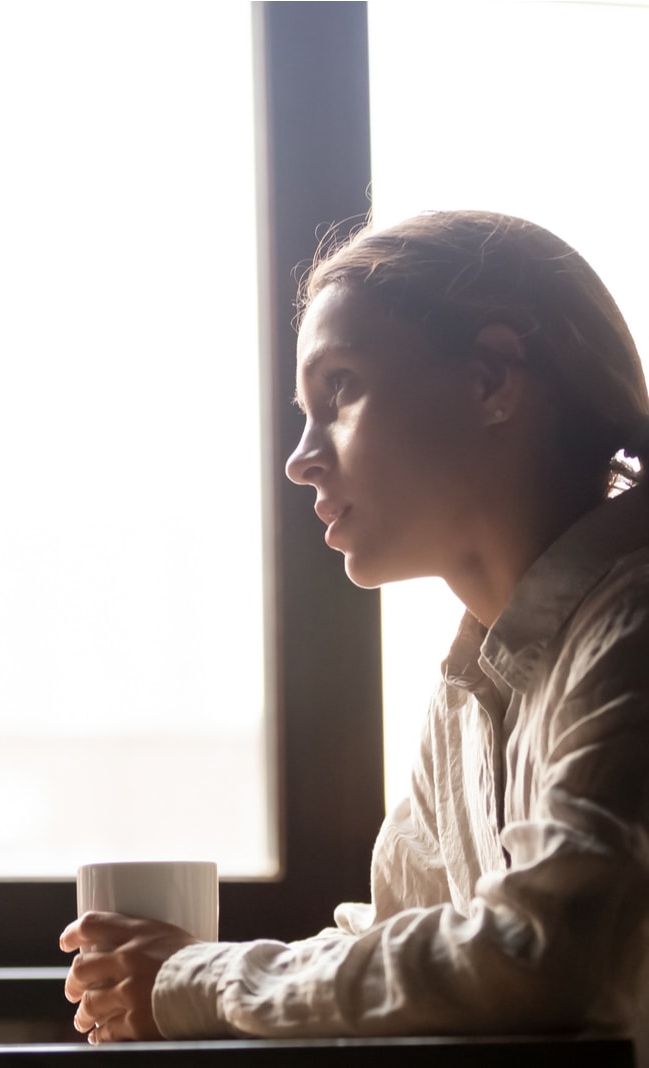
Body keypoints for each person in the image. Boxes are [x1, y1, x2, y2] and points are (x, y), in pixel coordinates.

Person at [61, 209, 649, 1054]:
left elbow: (544, 953)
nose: (300, 458)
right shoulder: (471, 689)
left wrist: (196, 979)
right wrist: (176, 977)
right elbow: (394, 944)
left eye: (339, 388)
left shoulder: (630, 631)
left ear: (491, 379)